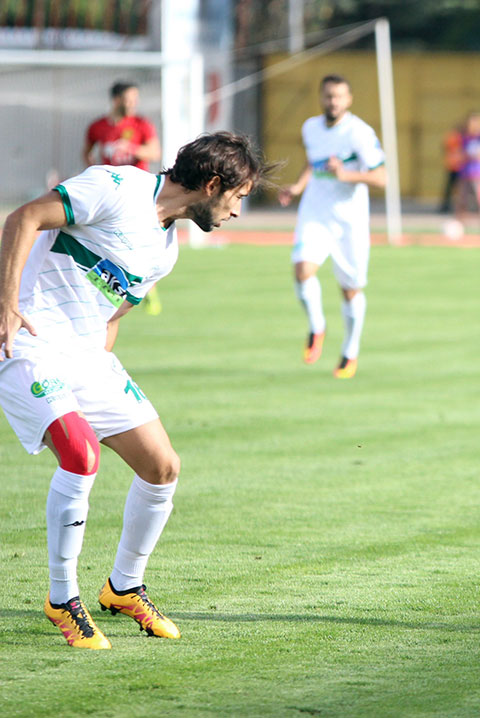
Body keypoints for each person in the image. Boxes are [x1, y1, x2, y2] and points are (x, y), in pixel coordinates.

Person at [0, 131, 275, 649]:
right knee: (80, 454)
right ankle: (62, 599)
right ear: (213, 184)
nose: (238, 212)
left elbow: (115, 310)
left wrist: (101, 367)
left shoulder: (165, 249)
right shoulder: (116, 186)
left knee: (162, 465)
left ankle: (123, 588)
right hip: (27, 338)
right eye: (238, 198)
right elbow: (24, 218)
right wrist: (6, 305)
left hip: (86, 356)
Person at [278, 74, 386, 379]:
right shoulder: (310, 127)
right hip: (316, 211)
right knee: (302, 270)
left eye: (338, 96)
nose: (333, 101)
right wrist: (298, 187)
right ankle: (317, 326)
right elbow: (313, 162)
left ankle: (350, 351)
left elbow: (382, 177)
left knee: (350, 290)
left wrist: (347, 176)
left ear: (348, 100)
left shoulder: (360, 133)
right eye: (328, 96)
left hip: (350, 220)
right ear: (321, 97)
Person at [84, 80, 164, 315]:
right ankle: (110, 295)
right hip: (109, 194)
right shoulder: (97, 126)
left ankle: (146, 288)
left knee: (142, 244)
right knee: (107, 243)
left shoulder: (141, 125)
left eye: (135, 99)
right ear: (116, 100)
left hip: (139, 194)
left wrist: (131, 148)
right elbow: (87, 151)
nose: (133, 104)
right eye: (129, 99)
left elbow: (154, 151)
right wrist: (92, 172)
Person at [454, 111, 480, 233]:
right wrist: (468, 156)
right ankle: (459, 227)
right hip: (466, 173)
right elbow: (460, 154)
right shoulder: (464, 137)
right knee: (462, 201)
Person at [439, 123, 463, 214]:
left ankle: (457, 207)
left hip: (460, 167)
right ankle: (445, 206)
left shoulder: (463, 138)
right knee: (450, 188)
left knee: (459, 189)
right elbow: (445, 147)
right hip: (453, 166)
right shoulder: (454, 138)